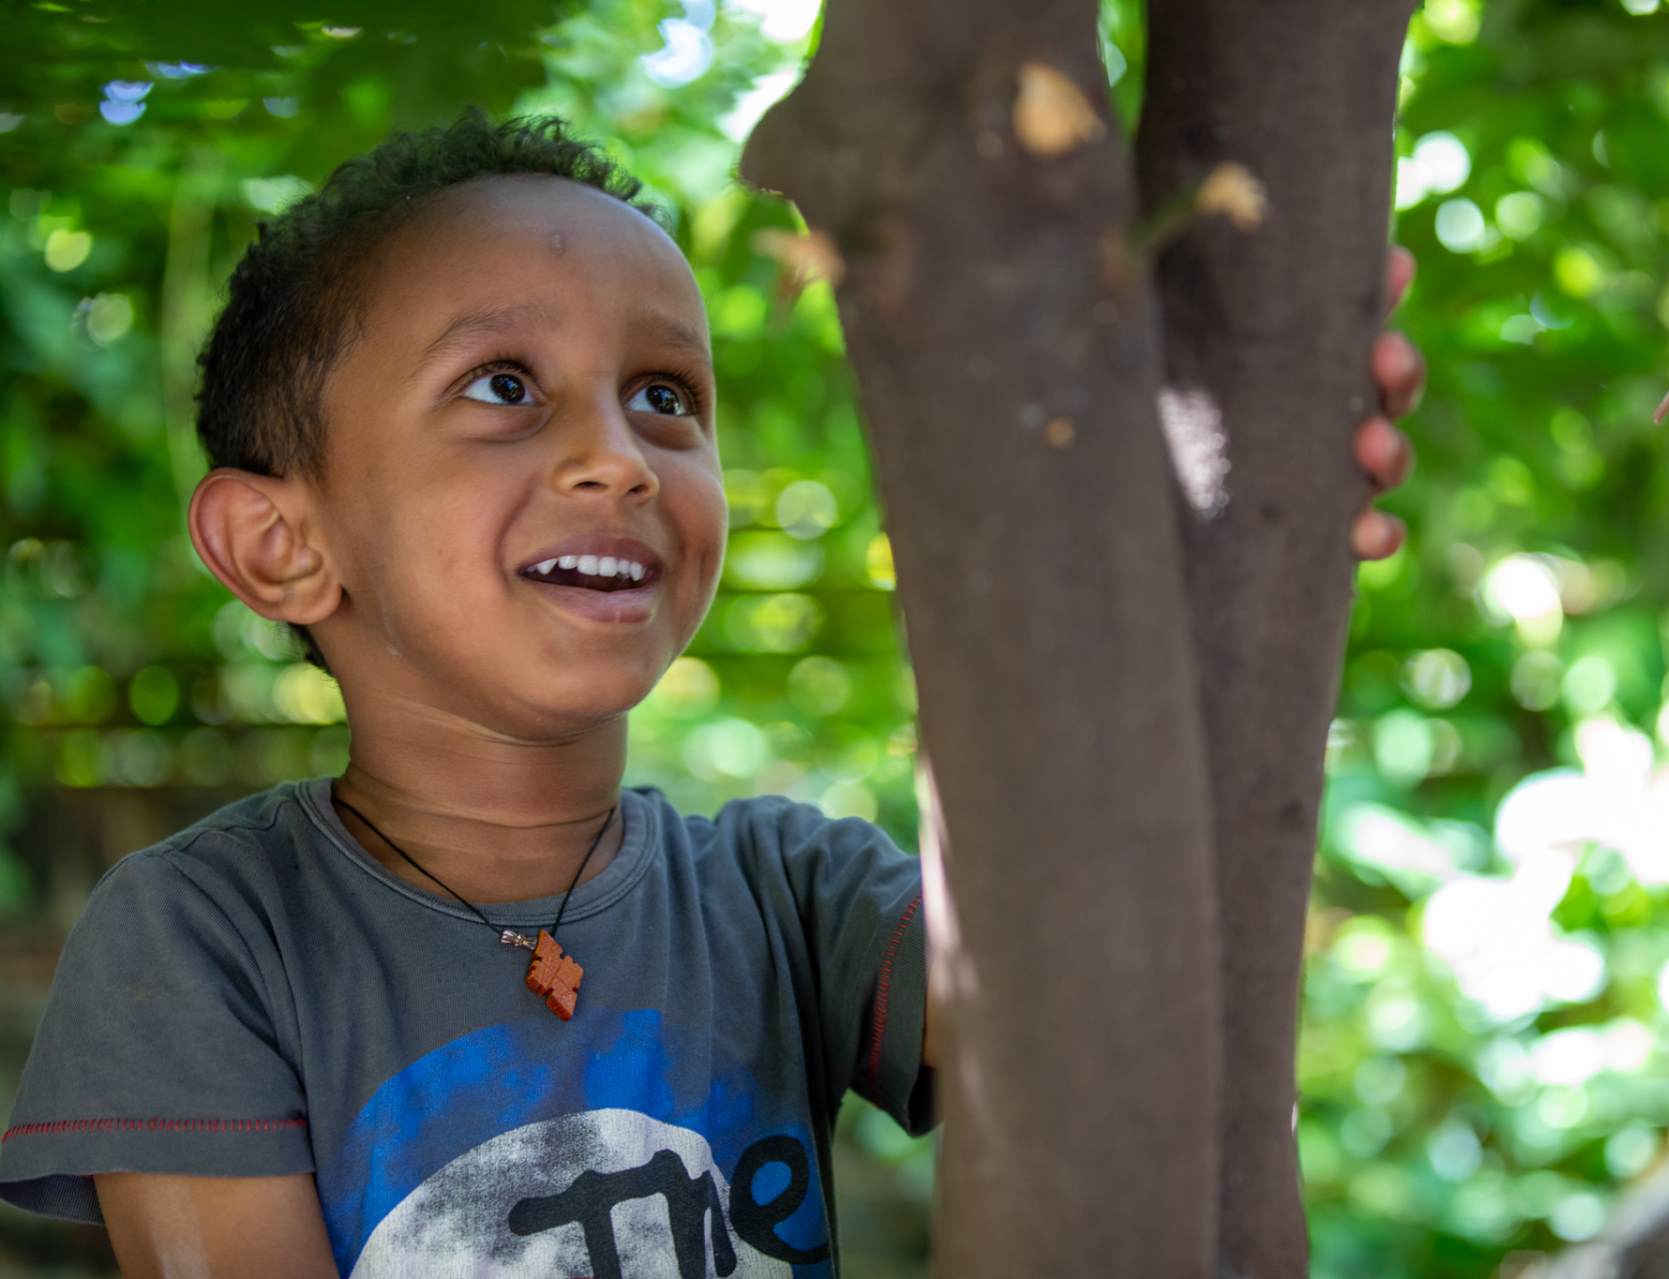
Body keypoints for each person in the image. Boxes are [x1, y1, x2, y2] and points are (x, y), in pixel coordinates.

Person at [0, 111, 1423, 1277]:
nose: (618, 458)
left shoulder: (791, 893)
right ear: (281, 544)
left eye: (667, 395)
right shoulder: (201, 938)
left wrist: (1181, 530)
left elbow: (1135, 1039)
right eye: (504, 384)